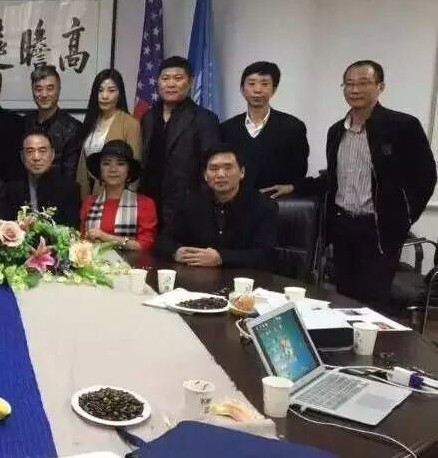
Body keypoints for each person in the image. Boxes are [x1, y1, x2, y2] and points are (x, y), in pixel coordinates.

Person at [291, 60, 436, 303]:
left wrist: (404, 218)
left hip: (379, 229)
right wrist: (295, 187)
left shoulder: (402, 126)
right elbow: (333, 179)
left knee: (373, 300)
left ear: (380, 87)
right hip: (343, 225)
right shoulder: (336, 131)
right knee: (342, 297)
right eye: (349, 84)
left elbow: (425, 177)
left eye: (363, 83)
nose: (355, 89)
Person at [155, 146, 278, 269]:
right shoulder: (191, 202)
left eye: (228, 168)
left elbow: (266, 255)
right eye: (213, 169)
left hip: (244, 276)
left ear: (242, 172)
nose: (220, 174)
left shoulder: (263, 206)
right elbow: (163, 240)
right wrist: (176, 252)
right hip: (198, 276)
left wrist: (221, 258)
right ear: (205, 175)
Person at [139, 56, 221, 231]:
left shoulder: (205, 119)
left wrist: (200, 206)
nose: (171, 84)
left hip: (188, 208)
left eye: (178, 78)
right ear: (158, 83)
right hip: (149, 205)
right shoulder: (148, 117)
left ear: (190, 82)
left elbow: (211, 167)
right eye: (165, 78)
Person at [220, 61, 308, 192]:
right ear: (242, 89)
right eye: (251, 84)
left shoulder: (293, 127)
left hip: (277, 200)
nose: (257, 90)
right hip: (237, 200)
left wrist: (291, 187)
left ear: (274, 89)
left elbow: (299, 173)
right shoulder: (226, 128)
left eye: (264, 84)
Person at [75, 68, 142, 198]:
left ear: (120, 93)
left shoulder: (130, 124)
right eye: (100, 90)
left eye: (111, 90)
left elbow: (134, 171)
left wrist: (126, 202)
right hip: (89, 194)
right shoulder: (91, 121)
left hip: (117, 196)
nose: (104, 96)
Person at [80, 141, 156, 251]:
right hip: (94, 261)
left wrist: (106, 237)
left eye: (120, 164)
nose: (113, 169)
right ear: (100, 170)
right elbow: (82, 240)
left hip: (131, 261)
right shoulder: (89, 202)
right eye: (106, 163)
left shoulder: (145, 203)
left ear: (129, 170)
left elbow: (145, 245)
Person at [7, 130, 79, 227]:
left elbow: (72, 229)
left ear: (52, 154)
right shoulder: (12, 189)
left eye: (42, 151)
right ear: (22, 156)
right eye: (30, 151)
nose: (36, 157)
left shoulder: (69, 188)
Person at [22, 65, 83, 180]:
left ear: (59, 90)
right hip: (24, 188)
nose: (44, 95)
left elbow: (70, 174)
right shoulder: (23, 123)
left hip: (59, 188)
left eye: (50, 89)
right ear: (32, 91)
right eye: (39, 89)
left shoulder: (73, 128)